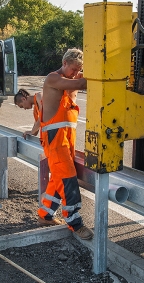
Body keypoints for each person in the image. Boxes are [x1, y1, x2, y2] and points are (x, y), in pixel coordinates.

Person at [37, 48, 94, 240]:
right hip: (55, 141)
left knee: (59, 178)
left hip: (65, 140)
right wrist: (104, 75)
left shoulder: (69, 80)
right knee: (68, 178)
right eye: (74, 69)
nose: (76, 73)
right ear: (64, 64)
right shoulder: (53, 79)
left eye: (80, 69)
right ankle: (75, 223)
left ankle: (45, 215)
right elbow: (81, 83)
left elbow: (79, 80)